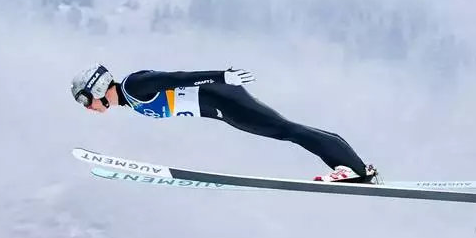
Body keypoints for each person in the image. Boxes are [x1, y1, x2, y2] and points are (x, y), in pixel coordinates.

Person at [70, 63, 378, 183]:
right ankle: (357, 168)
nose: (89, 109)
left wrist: (221, 76)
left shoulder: (134, 86)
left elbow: (176, 78)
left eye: (86, 100)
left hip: (225, 99)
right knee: (288, 130)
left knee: (288, 131)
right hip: (223, 108)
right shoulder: (131, 98)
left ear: (97, 88)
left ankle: (355, 170)